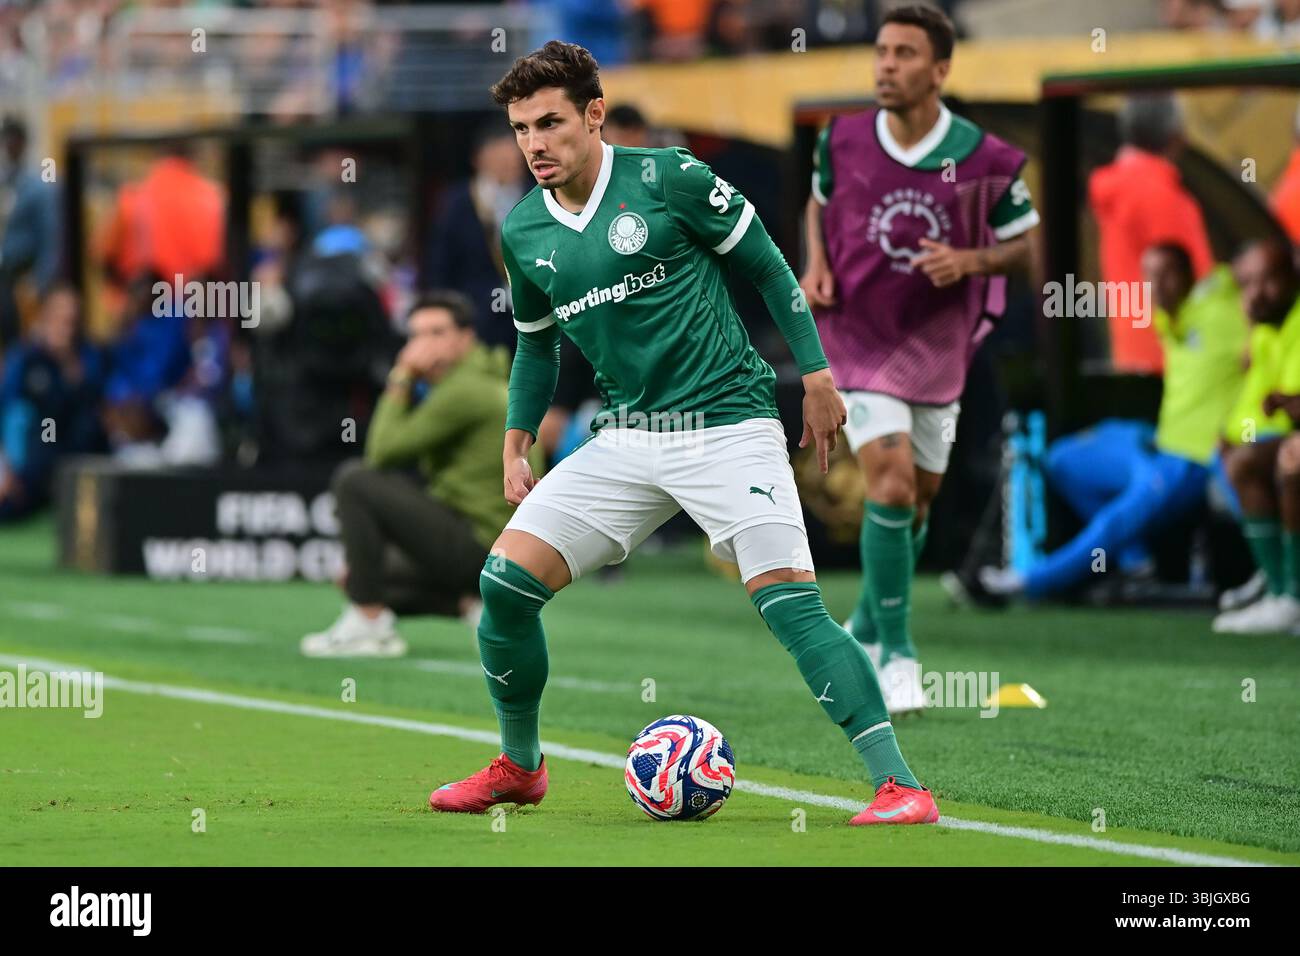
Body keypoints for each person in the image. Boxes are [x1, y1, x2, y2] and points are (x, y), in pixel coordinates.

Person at [427, 40, 937, 826]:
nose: (534, 143)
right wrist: (516, 437)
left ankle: (900, 785)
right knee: (504, 588)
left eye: (551, 123)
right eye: (522, 128)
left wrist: (816, 374)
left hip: (728, 423)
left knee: (792, 609)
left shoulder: (669, 179)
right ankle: (521, 767)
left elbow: (770, 265)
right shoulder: (524, 229)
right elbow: (536, 341)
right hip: (628, 435)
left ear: (595, 115)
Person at [798, 5, 1039, 714]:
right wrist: (815, 262)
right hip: (857, 337)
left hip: (936, 348)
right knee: (893, 484)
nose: (886, 64)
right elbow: (819, 204)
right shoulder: (838, 140)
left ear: (939, 70)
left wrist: (972, 258)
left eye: (904, 53)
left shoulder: (986, 156)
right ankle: (898, 656)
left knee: (918, 501)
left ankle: (866, 625)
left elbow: (1026, 243)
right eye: (881, 51)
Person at [972, 243, 1247, 600]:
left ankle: (1029, 581)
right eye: (1149, 275)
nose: (1156, 285)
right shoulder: (1171, 317)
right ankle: (1136, 562)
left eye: (1167, 274)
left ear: (1191, 275)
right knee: (1064, 460)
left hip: (1195, 456)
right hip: (1159, 441)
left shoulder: (1223, 310)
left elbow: (1249, 285)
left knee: (1121, 514)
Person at [302, 292, 542, 656]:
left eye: (436, 332)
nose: (423, 345)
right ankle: (473, 604)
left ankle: (368, 624)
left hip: (484, 544)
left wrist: (400, 376)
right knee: (356, 578)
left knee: (355, 480)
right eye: (415, 335)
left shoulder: (466, 389)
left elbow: (381, 454)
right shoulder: (481, 377)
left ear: (466, 337)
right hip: (503, 552)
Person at [1210, 239, 1300, 633]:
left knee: (1283, 460)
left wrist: (1286, 404)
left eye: (1268, 281)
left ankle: (1289, 593)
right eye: (1247, 285)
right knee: (1238, 459)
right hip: (1281, 438)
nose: (1256, 295)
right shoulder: (1266, 331)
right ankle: (1279, 585)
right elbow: (1263, 403)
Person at [1088, 93, 1214, 373]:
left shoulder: (1116, 188)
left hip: (1131, 354)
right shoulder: (1161, 195)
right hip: (1173, 358)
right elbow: (1199, 286)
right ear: (1175, 134)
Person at [0, 285, 105, 521]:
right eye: (61, 320)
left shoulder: (92, 359)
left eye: (73, 321)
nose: (67, 328)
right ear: (46, 319)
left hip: (85, 468)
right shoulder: (26, 360)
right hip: (32, 469)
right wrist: (6, 470)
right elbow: (5, 410)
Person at [424, 125, 529, 349]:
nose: (508, 164)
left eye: (513, 157)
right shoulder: (457, 201)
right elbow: (441, 262)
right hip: (476, 316)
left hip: (530, 315)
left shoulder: (538, 195)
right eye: (499, 157)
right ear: (479, 159)